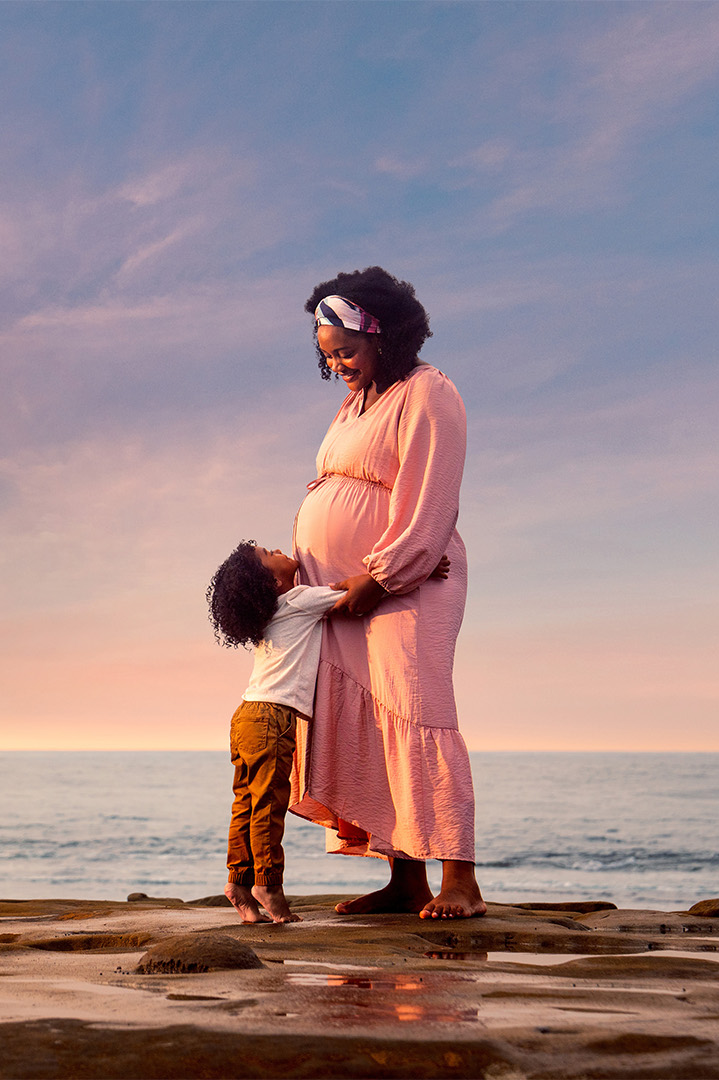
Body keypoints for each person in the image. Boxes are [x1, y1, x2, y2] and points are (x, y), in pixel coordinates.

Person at [290, 266, 487, 920]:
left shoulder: (429, 393)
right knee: (377, 723)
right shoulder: (356, 404)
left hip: (403, 585)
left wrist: (383, 576)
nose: (337, 365)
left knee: (419, 715)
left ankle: (461, 880)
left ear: (385, 335)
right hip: (347, 596)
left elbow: (433, 498)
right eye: (328, 355)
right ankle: (406, 880)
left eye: (346, 350)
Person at [206, 541, 449, 924]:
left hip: (246, 716)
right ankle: (267, 884)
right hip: (271, 718)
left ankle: (238, 882)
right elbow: (357, 595)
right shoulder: (298, 599)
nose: (277, 549)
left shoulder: (269, 615)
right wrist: (416, 569)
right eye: (268, 554)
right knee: (268, 806)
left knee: (246, 804)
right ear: (272, 583)